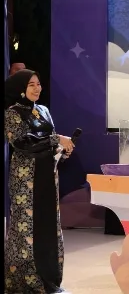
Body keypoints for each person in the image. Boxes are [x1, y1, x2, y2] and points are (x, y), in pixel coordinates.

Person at [4, 69, 76, 293]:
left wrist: (62, 150)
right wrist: (57, 139)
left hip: (48, 175)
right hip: (25, 179)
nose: (37, 88)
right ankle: (25, 281)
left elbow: (47, 142)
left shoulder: (43, 110)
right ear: (20, 89)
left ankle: (49, 278)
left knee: (48, 225)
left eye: (39, 84)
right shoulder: (12, 113)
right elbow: (23, 143)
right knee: (26, 228)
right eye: (31, 85)